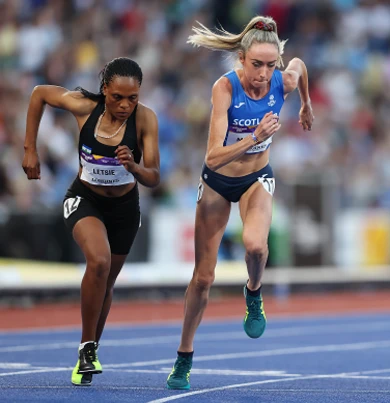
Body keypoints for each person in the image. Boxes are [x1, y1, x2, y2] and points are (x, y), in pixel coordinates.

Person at [166, 16, 313, 390]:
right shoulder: (224, 88)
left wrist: (305, 106)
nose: (264, 74)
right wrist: (256, 136)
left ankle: (253, 291)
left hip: (256, 179)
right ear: (241, 60)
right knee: (203, 278)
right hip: (217, 181)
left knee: (256, 246)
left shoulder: (284, 79)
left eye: (270, 65)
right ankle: (184, 356)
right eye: (256, 65)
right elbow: (212, 157)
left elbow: (299, 66)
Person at [21, 57, 160, 386]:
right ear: (104, 90)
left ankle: (90, 351)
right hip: (85, 198)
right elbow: (39, 93)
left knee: (106, 284)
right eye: (117, 98)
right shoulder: (84, 106)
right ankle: (86, 347)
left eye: (133, 98)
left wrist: (135, 168)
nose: (125, 105)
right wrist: (30, 149)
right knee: (98, 261)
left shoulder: (145, 121)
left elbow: (154, 177)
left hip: (125, 208)